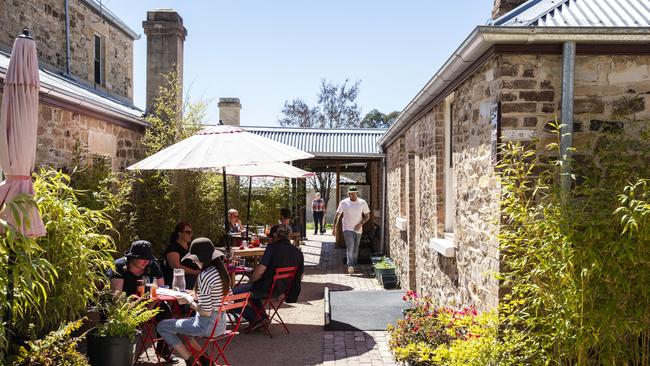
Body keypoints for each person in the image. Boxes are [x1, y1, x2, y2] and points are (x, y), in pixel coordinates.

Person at [157, 238, 231, 366]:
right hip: (220, 325)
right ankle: (204, 360)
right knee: (182, 328)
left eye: (194, 258)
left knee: (162, 326)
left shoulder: (205, 275)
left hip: (206, 325)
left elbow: (206, 312)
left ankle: (190, 360)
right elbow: (216, 297)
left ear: (201, 258)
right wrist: (194, 294)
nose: (192, 261)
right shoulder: (220, 271)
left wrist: (189, 300)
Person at [108, 240, 178, 364]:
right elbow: (116, 297)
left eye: (148, 258)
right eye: (142, 258)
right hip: (126, 307)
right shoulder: (120, 266)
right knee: (129, 320)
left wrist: (150, 306)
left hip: (150, 303)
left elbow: (162, 290)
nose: (146, 261)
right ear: (132, 257)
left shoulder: (152, 265)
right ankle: (127, 354)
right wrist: (136, 308)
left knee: (165, 311)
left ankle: (163, 349)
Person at [232, 223, 304, 330]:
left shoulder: (272, 248)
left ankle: (256, 318)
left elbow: (259, 272)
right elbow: (300, 276)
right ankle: (262, 317)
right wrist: (285, 292)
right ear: (290, 236)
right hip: (282, 291)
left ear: (276, 235)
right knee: (252, 292)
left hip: (266, 289)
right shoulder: (298, 252)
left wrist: (250, 281)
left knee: (231, 296)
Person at [333, 186, 370, 274]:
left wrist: (360, 224)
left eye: (355, 193)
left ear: (357, 193)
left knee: (356, 249)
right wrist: (334, 227)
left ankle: (355, 266)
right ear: (348, 194)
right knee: (350, 247)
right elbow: (337, 215)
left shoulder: (362, 202)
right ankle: (350, 266)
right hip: (347, 228)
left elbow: (367, 216)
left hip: (358, 229)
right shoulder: (344, 203)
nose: (353, 195)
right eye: (351, 193)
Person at [164, 222, 201, 289]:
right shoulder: (173, 248)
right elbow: (176, 267)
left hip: (194, 278)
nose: (191, 234)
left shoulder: (191, 247)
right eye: (188, 232)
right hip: (179, 281)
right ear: (180, 234)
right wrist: (195, 272)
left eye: (191, 232)